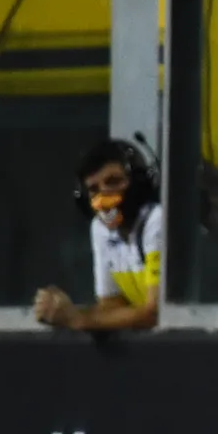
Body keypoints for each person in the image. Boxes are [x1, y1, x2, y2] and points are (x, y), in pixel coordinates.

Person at [34, 139, 163, 333]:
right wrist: (64, 312)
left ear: (138, 183)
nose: (103, 197)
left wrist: (78, 319)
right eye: (94, 190)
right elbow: (112, 306)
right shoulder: (100, 229)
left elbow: (155, 313)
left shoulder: (156, 220)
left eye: (113, 182)